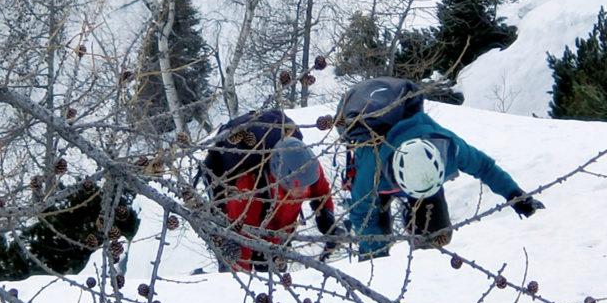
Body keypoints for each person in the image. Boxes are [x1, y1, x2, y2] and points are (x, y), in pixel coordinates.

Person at [335, 77, 543, 261]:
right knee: (376, 238)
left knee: (436, 235)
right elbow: (362, 214)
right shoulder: (373, 169)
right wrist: (374, 258)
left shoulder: (448, 147)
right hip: (379, 173)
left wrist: (517, 197)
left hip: (420, 173)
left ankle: (429, 265)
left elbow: (485, 167)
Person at [201, 109, 340, 271]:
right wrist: (237, 280)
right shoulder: (248, 190)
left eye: (306, 185)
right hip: (249, 231)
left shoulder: (307, 167)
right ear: (278, 177)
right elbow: (239, 237)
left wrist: (327, 220)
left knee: (277, 275)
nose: (304, 191)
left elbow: (321, 191)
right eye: (297, 187)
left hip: (281, 232)